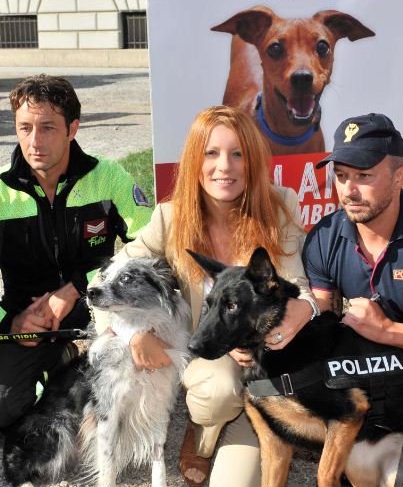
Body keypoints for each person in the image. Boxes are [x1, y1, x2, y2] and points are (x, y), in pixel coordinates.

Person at [93, 105, 320, 487]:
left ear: (253, 161)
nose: (224, 167)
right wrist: (132, 334)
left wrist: (304, 310)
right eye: (211, 153)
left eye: (237, 154)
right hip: (210, 366)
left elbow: (301, 290)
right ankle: (202, 432)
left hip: (263, 368)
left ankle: (245, 425)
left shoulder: (280, 206)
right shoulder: (170, 217)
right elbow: (108, 278)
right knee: (217, 390)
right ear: (195, 161)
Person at [0, 74, 151, 429]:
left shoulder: (109, 177)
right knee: (4, 406)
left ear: (73, 129)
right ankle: (63, 357)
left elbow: (149, 247)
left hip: (102, 305)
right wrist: (13, 323)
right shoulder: (1, 192)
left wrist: (77, 288)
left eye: (48, 127)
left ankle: (80, 361)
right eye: (24, 128)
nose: (34, 142)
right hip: (27, 319)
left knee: (122, 406)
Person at [303, 112, 403, 345]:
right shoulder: (324, 237)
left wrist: (387, 330)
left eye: (363, 176)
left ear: (399, 177)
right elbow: (322, 323)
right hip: (364, 374)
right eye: (341, 175)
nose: (348, 191)